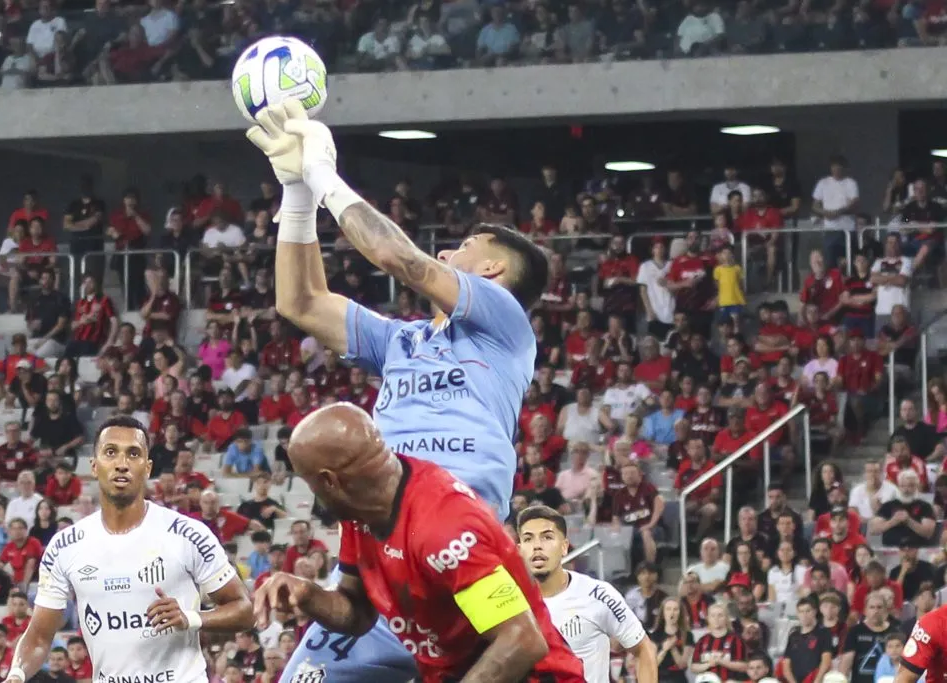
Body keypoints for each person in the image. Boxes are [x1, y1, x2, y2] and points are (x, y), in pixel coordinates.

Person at [245, 101, 549, 683]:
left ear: (490, 274)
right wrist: (296, 191)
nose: (445, 253)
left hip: (457, 548)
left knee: (511, 651)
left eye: (464, 246)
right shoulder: (402, 342)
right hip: (383, 547)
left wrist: (325, 176)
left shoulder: (502, 322)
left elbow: (397, 257)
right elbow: (301, 303)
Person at [253, 404, 585, 683]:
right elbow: (358, 615)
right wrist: (308, 595)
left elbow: (521, 641)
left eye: (310, 483)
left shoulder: (442, 527)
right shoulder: (360, 512)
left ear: (329, 481)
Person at [4, 416, 254, 683]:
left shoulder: (188, 534)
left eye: (133, 454)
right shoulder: (65, 546)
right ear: (94, 465)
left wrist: (191, 617)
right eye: (111, 452)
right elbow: (40, 635)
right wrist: (16, 675)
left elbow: (244, 610)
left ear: (147, 468)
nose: (121, 464)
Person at [516, 505, 657, 682]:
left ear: (564, 547)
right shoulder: (507, 602)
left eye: (547, 537)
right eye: (528, 539)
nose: (537, 546)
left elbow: (644, 649)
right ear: (519, 550)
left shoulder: (598, 594)